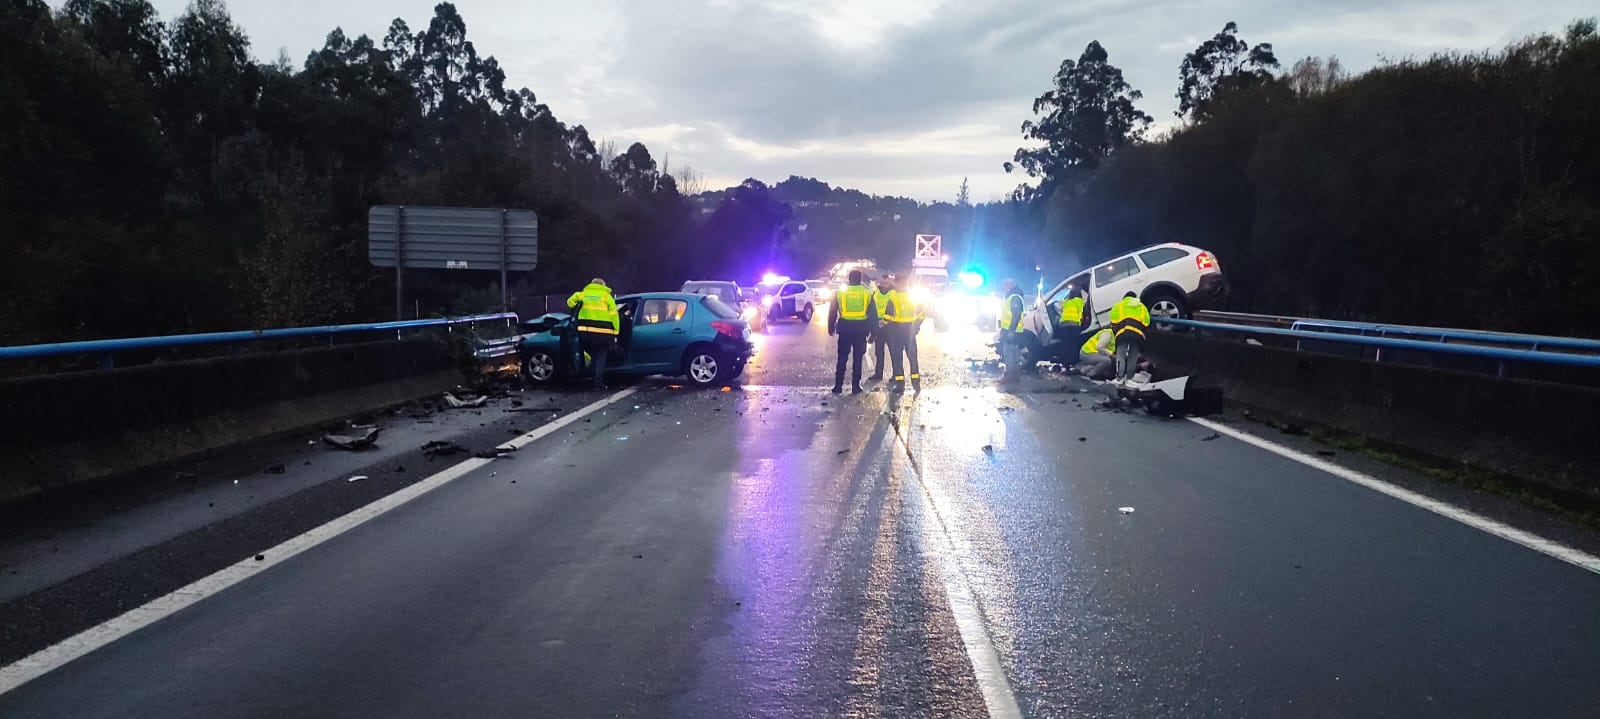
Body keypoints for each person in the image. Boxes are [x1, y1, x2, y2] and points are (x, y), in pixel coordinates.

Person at [828, 270, 877, 394]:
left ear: (849, 279)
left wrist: (830, 326)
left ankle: (838, 386)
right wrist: (874, 332)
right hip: (861, 329)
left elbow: (833, 310)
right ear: (860, 279)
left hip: (845, 328)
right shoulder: (867, 292)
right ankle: (856, 387)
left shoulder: (840, 292)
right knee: (857, 359)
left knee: (842, 358)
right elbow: (872, 314)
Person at [566, 278, 620, 390]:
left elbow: (570, 302)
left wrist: (577, 305)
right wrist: (616, 332)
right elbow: (614, 316)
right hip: (604, 334)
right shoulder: (607, 297)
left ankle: (584, 377)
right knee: (600, 357)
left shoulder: (582, 295)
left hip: (586, 332)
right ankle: (597, 383)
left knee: (590, 356)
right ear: (603, 285)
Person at [883, 279, 924, 392]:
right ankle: (916, 383)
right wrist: (916, 327)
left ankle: (900, 384)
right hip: (910, 330)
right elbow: (921, 315)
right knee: (912, 357)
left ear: (896, 283)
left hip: (896, 331)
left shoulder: (893, 298)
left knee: (897, 357)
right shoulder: (913, 297)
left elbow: (888, 317)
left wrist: (882, 324)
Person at [1109, 291, 1151, 384]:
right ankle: (1129, 378)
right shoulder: (1142, 307)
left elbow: (1113, 321)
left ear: (1124, 298)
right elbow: (1147, 322)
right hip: (1137, 334)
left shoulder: (1118, 306)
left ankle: (1119, 378)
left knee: (1121, 355)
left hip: (1122, 333)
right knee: (1133, 356)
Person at [997, 279, 1027, 384]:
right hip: (1013, 330)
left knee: (1009, 353)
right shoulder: (1014, 296)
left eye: (1005, 285)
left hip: (1012, 331)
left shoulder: (1014, 297)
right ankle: (1015, 376)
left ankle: (1009, 376)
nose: (1004, 288)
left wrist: (1010, 330)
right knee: (1014, 353)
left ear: (1010, 285)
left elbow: (1016, 314)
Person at [867, 276, 894, 381]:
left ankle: (896, 375)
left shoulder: (893, 293)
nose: (884, 285)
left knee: (893, 352)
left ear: (890, 283)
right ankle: (878, 374)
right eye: (882, 283)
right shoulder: (875, 293)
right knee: (879, 352)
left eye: (886, 283)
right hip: (878, 326)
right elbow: (871, 309)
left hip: (891, 326)